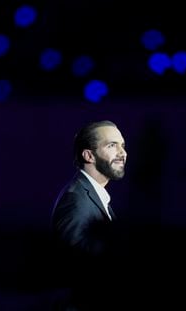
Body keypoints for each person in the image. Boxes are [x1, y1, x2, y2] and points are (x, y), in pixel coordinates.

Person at [50, 120, 127, 311]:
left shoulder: (92, 197)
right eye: (112, 145)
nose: (122, 153)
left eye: (123, 146)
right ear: (88, 155)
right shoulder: (76, 201)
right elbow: (77, 269)